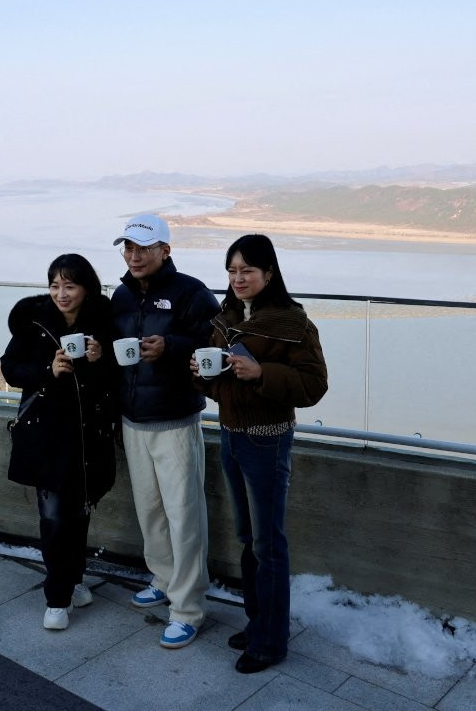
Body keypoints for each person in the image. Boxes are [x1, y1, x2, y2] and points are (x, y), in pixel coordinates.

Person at [191, 234, 327, 674]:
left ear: (269, 273)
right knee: (249, 539)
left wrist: (260, 372)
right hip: (231, 435)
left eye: (246, 271)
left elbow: (313, 385)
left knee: (269, 543)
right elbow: (216, 386)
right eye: (232, 271)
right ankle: (258, 623)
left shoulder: (294, 323)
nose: (237, 279)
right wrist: (201, 374)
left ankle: (271, 642)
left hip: (267, 439)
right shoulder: (226, 317)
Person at [111, 213, 221, 649]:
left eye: (143, 248)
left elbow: (218, 345)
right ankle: (163, 577)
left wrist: (173, 347)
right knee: (151, 511)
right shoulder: (119, 295)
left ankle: (189, 608)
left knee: (184, 515)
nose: (133, 256)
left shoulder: (191, 293)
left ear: (165, 250)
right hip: (133, 419)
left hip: (176, 420)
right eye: (128, 248)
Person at [1, 254, 117, 630]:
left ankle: (75, 579)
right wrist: (46, 371)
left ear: (86, 288)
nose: (61, 294)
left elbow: (116, 378)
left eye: (69, 286)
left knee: (80, 510)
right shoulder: (35, 322)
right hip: (47, 434)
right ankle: (56, 597)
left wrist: (101, 359)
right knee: (53, 517)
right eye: (54, 286)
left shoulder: (104, 322)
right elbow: (10, 368)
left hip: (87, 434)